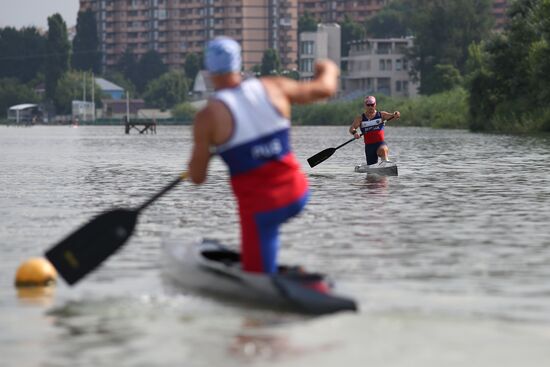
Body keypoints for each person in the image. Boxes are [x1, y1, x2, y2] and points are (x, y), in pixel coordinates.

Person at [188, 37, 339, 274]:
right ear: (239, 64)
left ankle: (271, 283)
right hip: (298, 193)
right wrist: (328, 68)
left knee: (258, 277)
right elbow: (325, 89)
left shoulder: (208, 116)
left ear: (208, 71)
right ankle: (289, 275)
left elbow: (197, 177)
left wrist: (205, 152)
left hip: (262, 210)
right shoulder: (273, 86)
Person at [348, 95, 400, 166]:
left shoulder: (381, 115)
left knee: (383, 150)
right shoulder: (360, 118)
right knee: (371, 172)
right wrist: (355, 133)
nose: (370, 107)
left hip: (380, 143)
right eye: (368, 105)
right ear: (365, 105)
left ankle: (385, 162)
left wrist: (396, 114)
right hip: (369, 147)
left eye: (372, 105)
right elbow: (352, 128)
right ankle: (373, 168)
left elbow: (393, 116)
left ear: (375, 105)